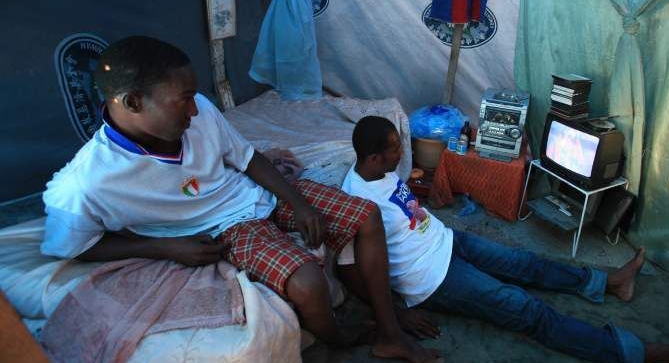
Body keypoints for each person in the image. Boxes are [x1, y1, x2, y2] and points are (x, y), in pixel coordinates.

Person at [39, 36, 439, 363]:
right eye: (185, 99)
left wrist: (298, 203)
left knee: (365, 215)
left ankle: (390, 331)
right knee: (309, 283)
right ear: (132, 103)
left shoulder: (202, 114)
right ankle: (338, 337)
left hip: (255, 194)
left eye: (195, 96)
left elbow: (248, 159)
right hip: (225, 227)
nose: (196, 110)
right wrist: (164, 246)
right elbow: (77, 246)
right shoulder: (84, 184)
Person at [342, 116, 669, 363]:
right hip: (434, 279)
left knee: (527, 263)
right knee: (524, 308)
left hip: (450, 241)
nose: (401, 151)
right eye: (393, 149)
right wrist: (397, 312)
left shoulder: (383, 173)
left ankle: (607, 281)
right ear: (374, 157)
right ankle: (635, 352)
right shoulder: (355, 201)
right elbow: (351, 270)